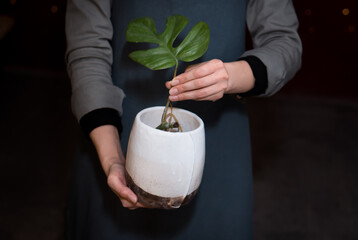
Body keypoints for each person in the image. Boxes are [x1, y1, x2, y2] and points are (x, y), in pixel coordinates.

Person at [65, 0, 302, 239]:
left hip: (218, 140)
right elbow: (87, 46)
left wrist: (231, 76)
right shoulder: (112, 148)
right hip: (114, 132)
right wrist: (113, 159)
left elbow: (284, 41)